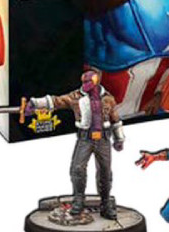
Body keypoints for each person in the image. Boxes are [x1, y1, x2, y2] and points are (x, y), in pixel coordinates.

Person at [27, 69, 125, 219]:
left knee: (105, 171)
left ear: (96, 82)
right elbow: (57, 101)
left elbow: (115, 118)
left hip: (104, 139)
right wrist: (35, 103)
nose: (85, 85)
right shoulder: (76, 97)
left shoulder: (108, 98)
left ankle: (105, 204)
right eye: (84, 82)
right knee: (77, 168)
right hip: (85, 139)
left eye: (88, 82)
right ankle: (78, 200)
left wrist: (119, 138)